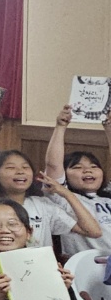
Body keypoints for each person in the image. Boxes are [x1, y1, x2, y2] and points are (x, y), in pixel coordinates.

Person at [0, 147, 99, 249]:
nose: (20, 171)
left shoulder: (42, 205)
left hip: (41, 262)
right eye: (11, 168)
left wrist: (66, 193)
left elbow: (93, 231)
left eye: (25, 167)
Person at [43, 104, 111, 253]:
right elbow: (53, 165)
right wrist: (60, 126)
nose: (87, 170)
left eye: (94, 166)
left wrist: (108, 128)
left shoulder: (107, 196)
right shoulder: (62, 198)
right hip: (88, 263)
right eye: (77, 167)